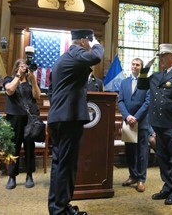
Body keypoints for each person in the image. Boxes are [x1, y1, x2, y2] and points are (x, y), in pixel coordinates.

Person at [47, 29, 104, 215]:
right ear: (82, 41)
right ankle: (59, 209)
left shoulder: (63, 58)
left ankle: (59, 205)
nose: (89, 45)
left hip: (59, 117)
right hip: (68, 118)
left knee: (60, 164)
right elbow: (96, 58)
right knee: (66, 164)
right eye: (88, 42)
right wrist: (96, 44)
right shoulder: (76, 52)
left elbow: (52, 90)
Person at [138, 43, 172, 205]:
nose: (161, 60)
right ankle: (168, 185)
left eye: (163, 56)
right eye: (159, 57)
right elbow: (141, 85)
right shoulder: (156, 76)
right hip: (158, 124)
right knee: (163, 157)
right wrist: (145, 69)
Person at [3, 58, 42, 190]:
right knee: (14, 146)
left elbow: (37, 96)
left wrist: (34, 80)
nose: (25, 68)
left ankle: (29, 174)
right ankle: (12, 176)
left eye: (26, 66)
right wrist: (18, 75)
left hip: (29, 118)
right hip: (14, 117)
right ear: (16, 67)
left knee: (29, 146)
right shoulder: (9, 79)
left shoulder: (30, 82)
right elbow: (10, 90)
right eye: (22, 66)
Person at [118, 58, 150, 192]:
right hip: (128, 122)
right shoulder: (124, 82)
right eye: (133, 64)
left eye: (137, 65)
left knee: (142, 152)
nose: (134, 67)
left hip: (141, 122)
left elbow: (148, 102)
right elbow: (120, 101)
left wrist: (136, 117)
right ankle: (133, 175)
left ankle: (141, 179)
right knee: (130, 151)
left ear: (141, 68)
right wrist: (128, 116)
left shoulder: (146, 83)